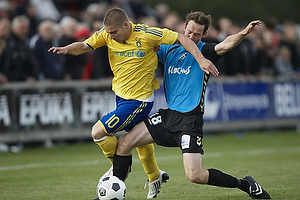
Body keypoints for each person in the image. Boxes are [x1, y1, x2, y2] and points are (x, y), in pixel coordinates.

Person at [48, 8, 218, 199]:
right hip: (121, 96)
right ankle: (155, 175)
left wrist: (201, 59)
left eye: (114, 32)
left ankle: (117, 172)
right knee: (136, 139)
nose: (110, 37)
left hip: (139, 101)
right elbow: (84, 46)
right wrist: (66, 49)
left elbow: (181, 38)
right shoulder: (107, 34)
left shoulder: (147, 34)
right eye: (108, 32)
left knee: (98, 133)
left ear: (126, 25)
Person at [112, 11, 271, 199]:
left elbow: (226, 44)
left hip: (190, 120)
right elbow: (147, 44)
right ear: (184, 28)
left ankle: (245, 184)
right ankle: (114, 192)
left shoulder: (205, 52)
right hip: (168, 116)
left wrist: (244, 33)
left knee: (195, 175)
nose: (192, 37)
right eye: (189, 32)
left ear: (203, 35)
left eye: (197, 34)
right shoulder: (169, 49)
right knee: (123, 144)